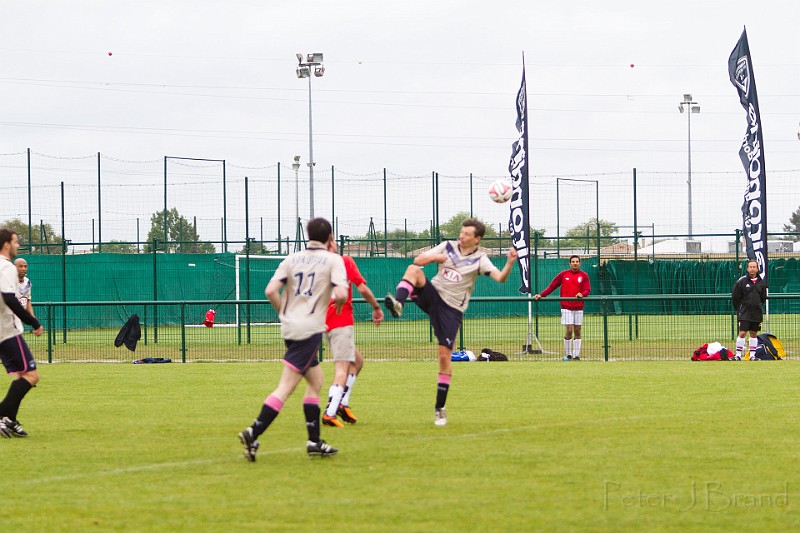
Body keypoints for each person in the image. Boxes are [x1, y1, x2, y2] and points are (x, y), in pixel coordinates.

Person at [384, 218, 517, 426]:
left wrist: (509, 263)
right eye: (461, 232)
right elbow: (418, 261)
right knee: (413, 271)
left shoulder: (480, 259)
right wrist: (437, 257)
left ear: (477, 238)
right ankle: (399, 304)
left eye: (467, 234)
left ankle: (440, 408)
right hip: (434, 296)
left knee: (444, 357)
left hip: (451, 310)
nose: (462, 235)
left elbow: (500, 278)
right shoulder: (447, 246)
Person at [238, 218, 349, 462]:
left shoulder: (291, 258)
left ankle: (314, 441)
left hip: (289, 329)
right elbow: (341, 292)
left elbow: (270, 291)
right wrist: (339, 305)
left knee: (316, 380)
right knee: (286, 387)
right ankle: (253, 432)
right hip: (309, 330)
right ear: (330, 236)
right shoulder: (333, 260)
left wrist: (284, 314)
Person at [322, 242, 384, 428]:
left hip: (324, 321)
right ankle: (330, 412)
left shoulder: (318, 267)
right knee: (342, 369)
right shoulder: (345, 262)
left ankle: (342, 403)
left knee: (357, 361)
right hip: (340, 320)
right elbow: (362, 289)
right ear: (330, 244)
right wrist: (376, 307)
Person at [0, 229, 44, 438]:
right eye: (16, 242)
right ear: (6, 244)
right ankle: (2, 415)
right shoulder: (7, 267)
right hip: (7, 330)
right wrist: (33, 322)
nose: (18, 245)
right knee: (32, 375)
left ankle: (10, 419)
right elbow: (9, 299)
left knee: (20, 375)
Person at [533, 255, 591, 361]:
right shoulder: (563, 274)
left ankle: (576, 355)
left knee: (577, 330)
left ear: (580, 263)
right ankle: (568, 354)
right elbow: (552, 286)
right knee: (569, 330)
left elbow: (587, 290)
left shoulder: (584, 275)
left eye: (577, 261)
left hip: (578, 307)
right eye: (573, 261)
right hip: (566, 307)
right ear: (569, 263)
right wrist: (541, 294)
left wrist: (582, 294)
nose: (575, 263)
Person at [732, 259, 767, 361]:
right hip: (744, 312)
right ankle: (738, 355)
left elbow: (763, 298)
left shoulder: (761, 283)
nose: (752, 269)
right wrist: (740, 309)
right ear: (747, 269)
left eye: (754, 267)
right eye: (750, 267)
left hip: (756, 313)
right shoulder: (742, 282)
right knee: (742, 333)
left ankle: (752, 356)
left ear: (757, 269)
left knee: (753, 333)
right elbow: (735, 297)